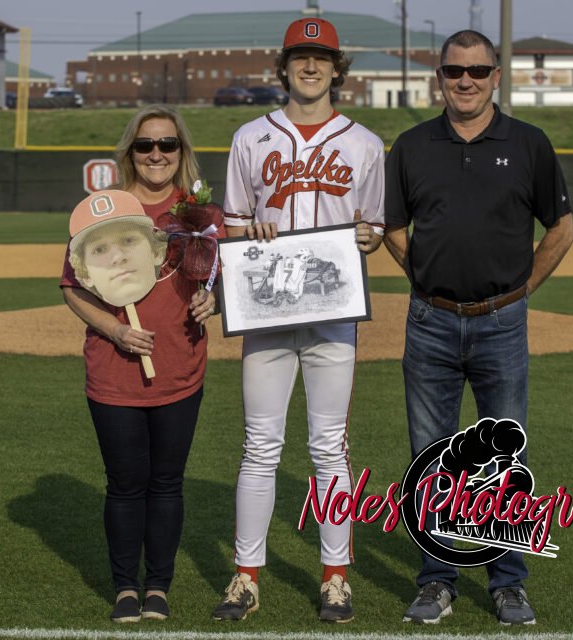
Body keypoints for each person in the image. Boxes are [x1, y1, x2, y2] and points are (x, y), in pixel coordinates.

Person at [384, 30, 573, 626]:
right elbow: (393, 228)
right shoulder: (412, 145)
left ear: (497, 76)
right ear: (438, 76)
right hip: (431, 321)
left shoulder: (529, 143)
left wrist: (520, 293)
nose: (465, 80)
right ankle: (437, 580)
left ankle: (508, 584)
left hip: (501, 322)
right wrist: (426, 281)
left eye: (477, 70)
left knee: (503, 460)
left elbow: (561, 230)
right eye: (453, 70)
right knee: (430, 458)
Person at [212, 17, 385, 624]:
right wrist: (247, 232)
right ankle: (245, 576)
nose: (310, 67)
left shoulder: (364, 143)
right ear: (282, 67)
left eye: (321, 58)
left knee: (328, 448)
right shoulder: (249, 137)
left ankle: (335, 577)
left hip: (334, 312)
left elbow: (375, 229)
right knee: (260, 445)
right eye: (299, 57)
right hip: (267, 308)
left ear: (338, 68)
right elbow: (230, 224)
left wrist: (368, 237)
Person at [60, 104, 223, 623]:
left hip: (180, 370)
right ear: (130, 152)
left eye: (167, 145)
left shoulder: (202, 214)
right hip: (113, 371)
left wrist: (212, 302)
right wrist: (114, 329)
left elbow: (224, 280)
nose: (157, 154)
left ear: (182, 152)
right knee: (125, 483)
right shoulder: (104, 212)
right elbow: (71, 287)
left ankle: (159, 586)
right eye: (145, 145)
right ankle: (125, 587)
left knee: (167, 482)